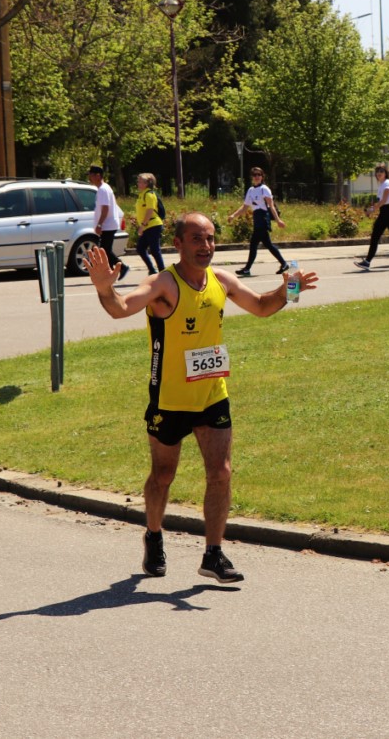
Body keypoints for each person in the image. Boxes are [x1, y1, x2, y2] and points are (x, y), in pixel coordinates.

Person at [83, 212, 318, 584]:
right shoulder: (162, 284)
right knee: (163, 475)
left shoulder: (221, 280)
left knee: (221, 473)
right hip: (169, 399)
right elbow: (120, 308)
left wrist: (290, 289)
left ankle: (213, 553)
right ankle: (155, 536)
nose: (206, 246)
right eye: (197, 239)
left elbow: (260, 306)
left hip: (212, 393)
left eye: (210, 239)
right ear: (177, 244)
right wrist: (102, 287)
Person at [228, 167, 288, 278]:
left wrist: (278, 220)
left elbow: (271, 206)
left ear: (262, 177)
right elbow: (245, 207)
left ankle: (247, 269)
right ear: (252, 177)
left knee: (254, 243)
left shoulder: (264, 189)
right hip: (257, 217)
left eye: (259, 175)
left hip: (263, 218)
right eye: (254, 175)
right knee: (267, 244)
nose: (256, 177)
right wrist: (233, 215)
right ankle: (284, 263)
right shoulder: (250, 190)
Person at [88, 166, 128, 282]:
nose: (89, 177)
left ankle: (122, 268)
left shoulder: (103, 190)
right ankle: (110, 273)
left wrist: (100, 224)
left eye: (91, 175)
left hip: (108, 225)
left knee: (105, 251)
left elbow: (105, 208)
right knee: (104, 251)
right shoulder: (103, 189)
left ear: (98, 175)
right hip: (108, 224)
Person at [132, 173, 166, 275]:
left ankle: (163, 272)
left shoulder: (149, 195)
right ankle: (152, 270)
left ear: (147, 183)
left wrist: (142, 225)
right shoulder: (142, 195)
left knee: (154, 250)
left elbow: (150, 210)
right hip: (148, 226)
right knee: (141, 248)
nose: (138, 183)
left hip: (153, 225)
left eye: (140, 181)